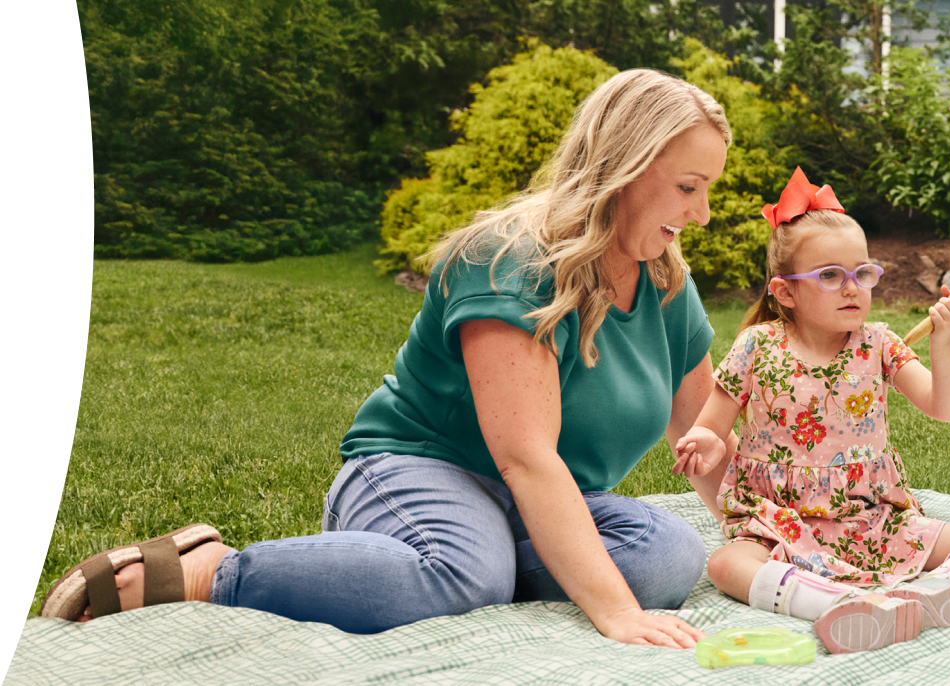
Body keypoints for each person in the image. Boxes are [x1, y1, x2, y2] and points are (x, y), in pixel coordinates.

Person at [41, 69, 740, 650]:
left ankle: (463, 566)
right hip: (419, 469)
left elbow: (699, 434)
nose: (703, 213)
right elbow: (525, 457)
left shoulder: (663, 281)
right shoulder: (508, 260)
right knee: (468, 574)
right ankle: (205, 570)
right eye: (688, 187)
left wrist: (771, 540)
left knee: (667, 554)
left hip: (537, 503)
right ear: (624, 165)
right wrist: (613, 612)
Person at [671, 168, 950, 654]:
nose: (852, 287)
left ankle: (936, 596)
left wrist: (944, 341)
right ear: (785, 291)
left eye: (862, 273)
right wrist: (704, 442)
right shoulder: (756, 347)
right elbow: (712, 425)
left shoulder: (878, 344)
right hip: (778, 521)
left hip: (868, 516)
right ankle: (833, 602)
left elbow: (945, 406)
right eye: (830, 275)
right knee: (727, 564)